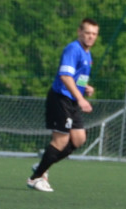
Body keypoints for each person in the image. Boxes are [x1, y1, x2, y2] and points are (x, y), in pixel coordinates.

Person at [27, 18, 100, 192]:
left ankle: (43, 165)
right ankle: (35, 178)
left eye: (94, 34)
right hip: (60, 99)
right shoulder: (73, 49)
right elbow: (65, 77)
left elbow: (76, 78)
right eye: (88, 33)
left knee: (79, 139)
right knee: (61, 140)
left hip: (72, 101)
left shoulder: (87, 54)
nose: (91, 37)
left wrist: (85, 88)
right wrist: (81, 99)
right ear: (79, 32)